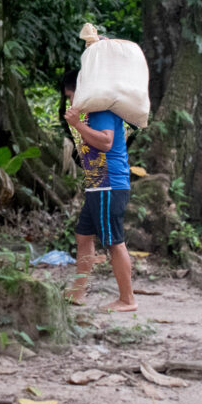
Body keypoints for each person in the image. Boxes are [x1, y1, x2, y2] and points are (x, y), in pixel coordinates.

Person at [61, 70, 137, 312]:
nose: (71, 101)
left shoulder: (101, 110)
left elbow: (105, 141)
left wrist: (75, 123)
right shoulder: (91, 111)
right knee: (84, 236)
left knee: (114, 242)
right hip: (98, 184)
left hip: (108, 183)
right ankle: (79, 291)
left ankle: (127, 299)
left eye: (71, 95)